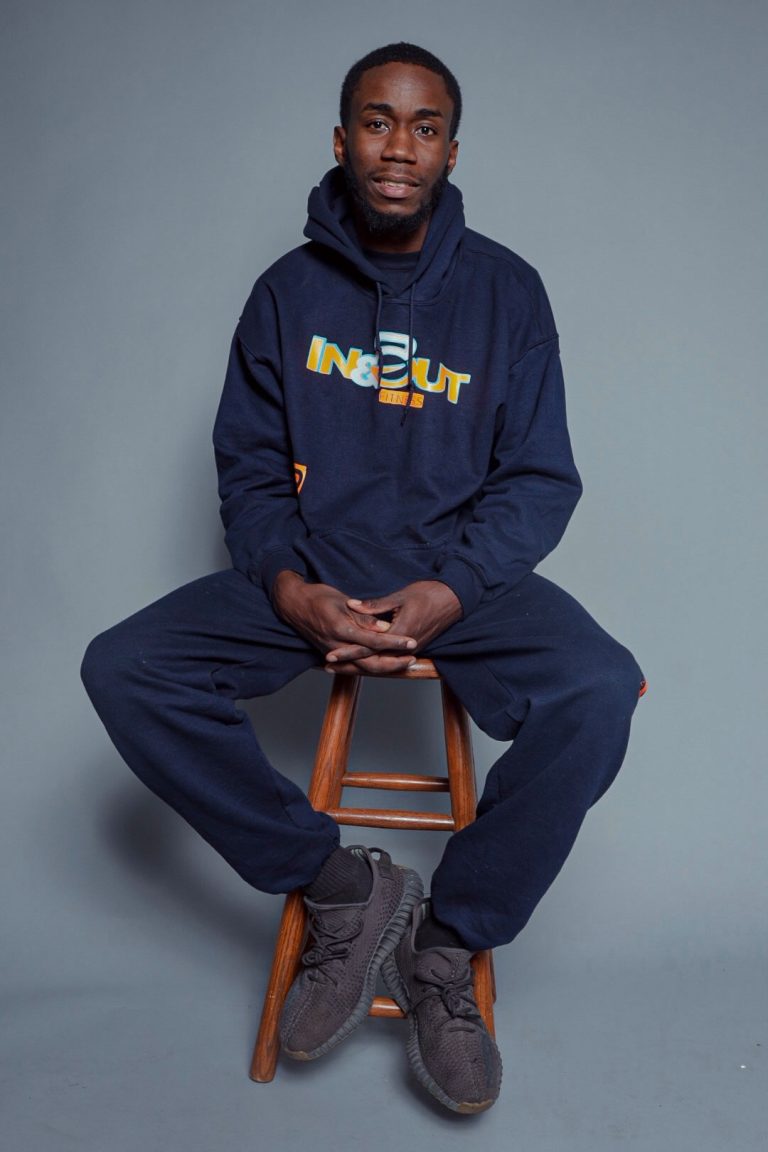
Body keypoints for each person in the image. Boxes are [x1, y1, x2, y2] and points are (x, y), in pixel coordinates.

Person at [81, 42, 644, 1115]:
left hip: (460, 586)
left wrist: (455, 588)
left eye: (425, 128)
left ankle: (446, 944)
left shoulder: (508, 293)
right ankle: (344, 893)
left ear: (451, 151)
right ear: (343, 141)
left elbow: (538, 480)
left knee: (601, 688)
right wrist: (288, 587)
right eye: (379, 123)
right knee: (124, 668)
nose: (399, 148)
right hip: (316, 577)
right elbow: (250, 474)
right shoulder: (286, 294)